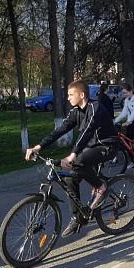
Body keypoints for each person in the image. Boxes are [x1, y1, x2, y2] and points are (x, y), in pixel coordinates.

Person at [25, 80, 118, 237]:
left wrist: (73, 154)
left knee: (77, 162)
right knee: (69, 178)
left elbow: (87, 132)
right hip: (89, 148)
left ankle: (101, 187)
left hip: (106, 146)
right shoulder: (76, 111)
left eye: (70, 94)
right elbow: (60, 130)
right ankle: (77, 217)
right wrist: (39, 146)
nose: (67, 98)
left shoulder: (95, 108)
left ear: (81, 95)